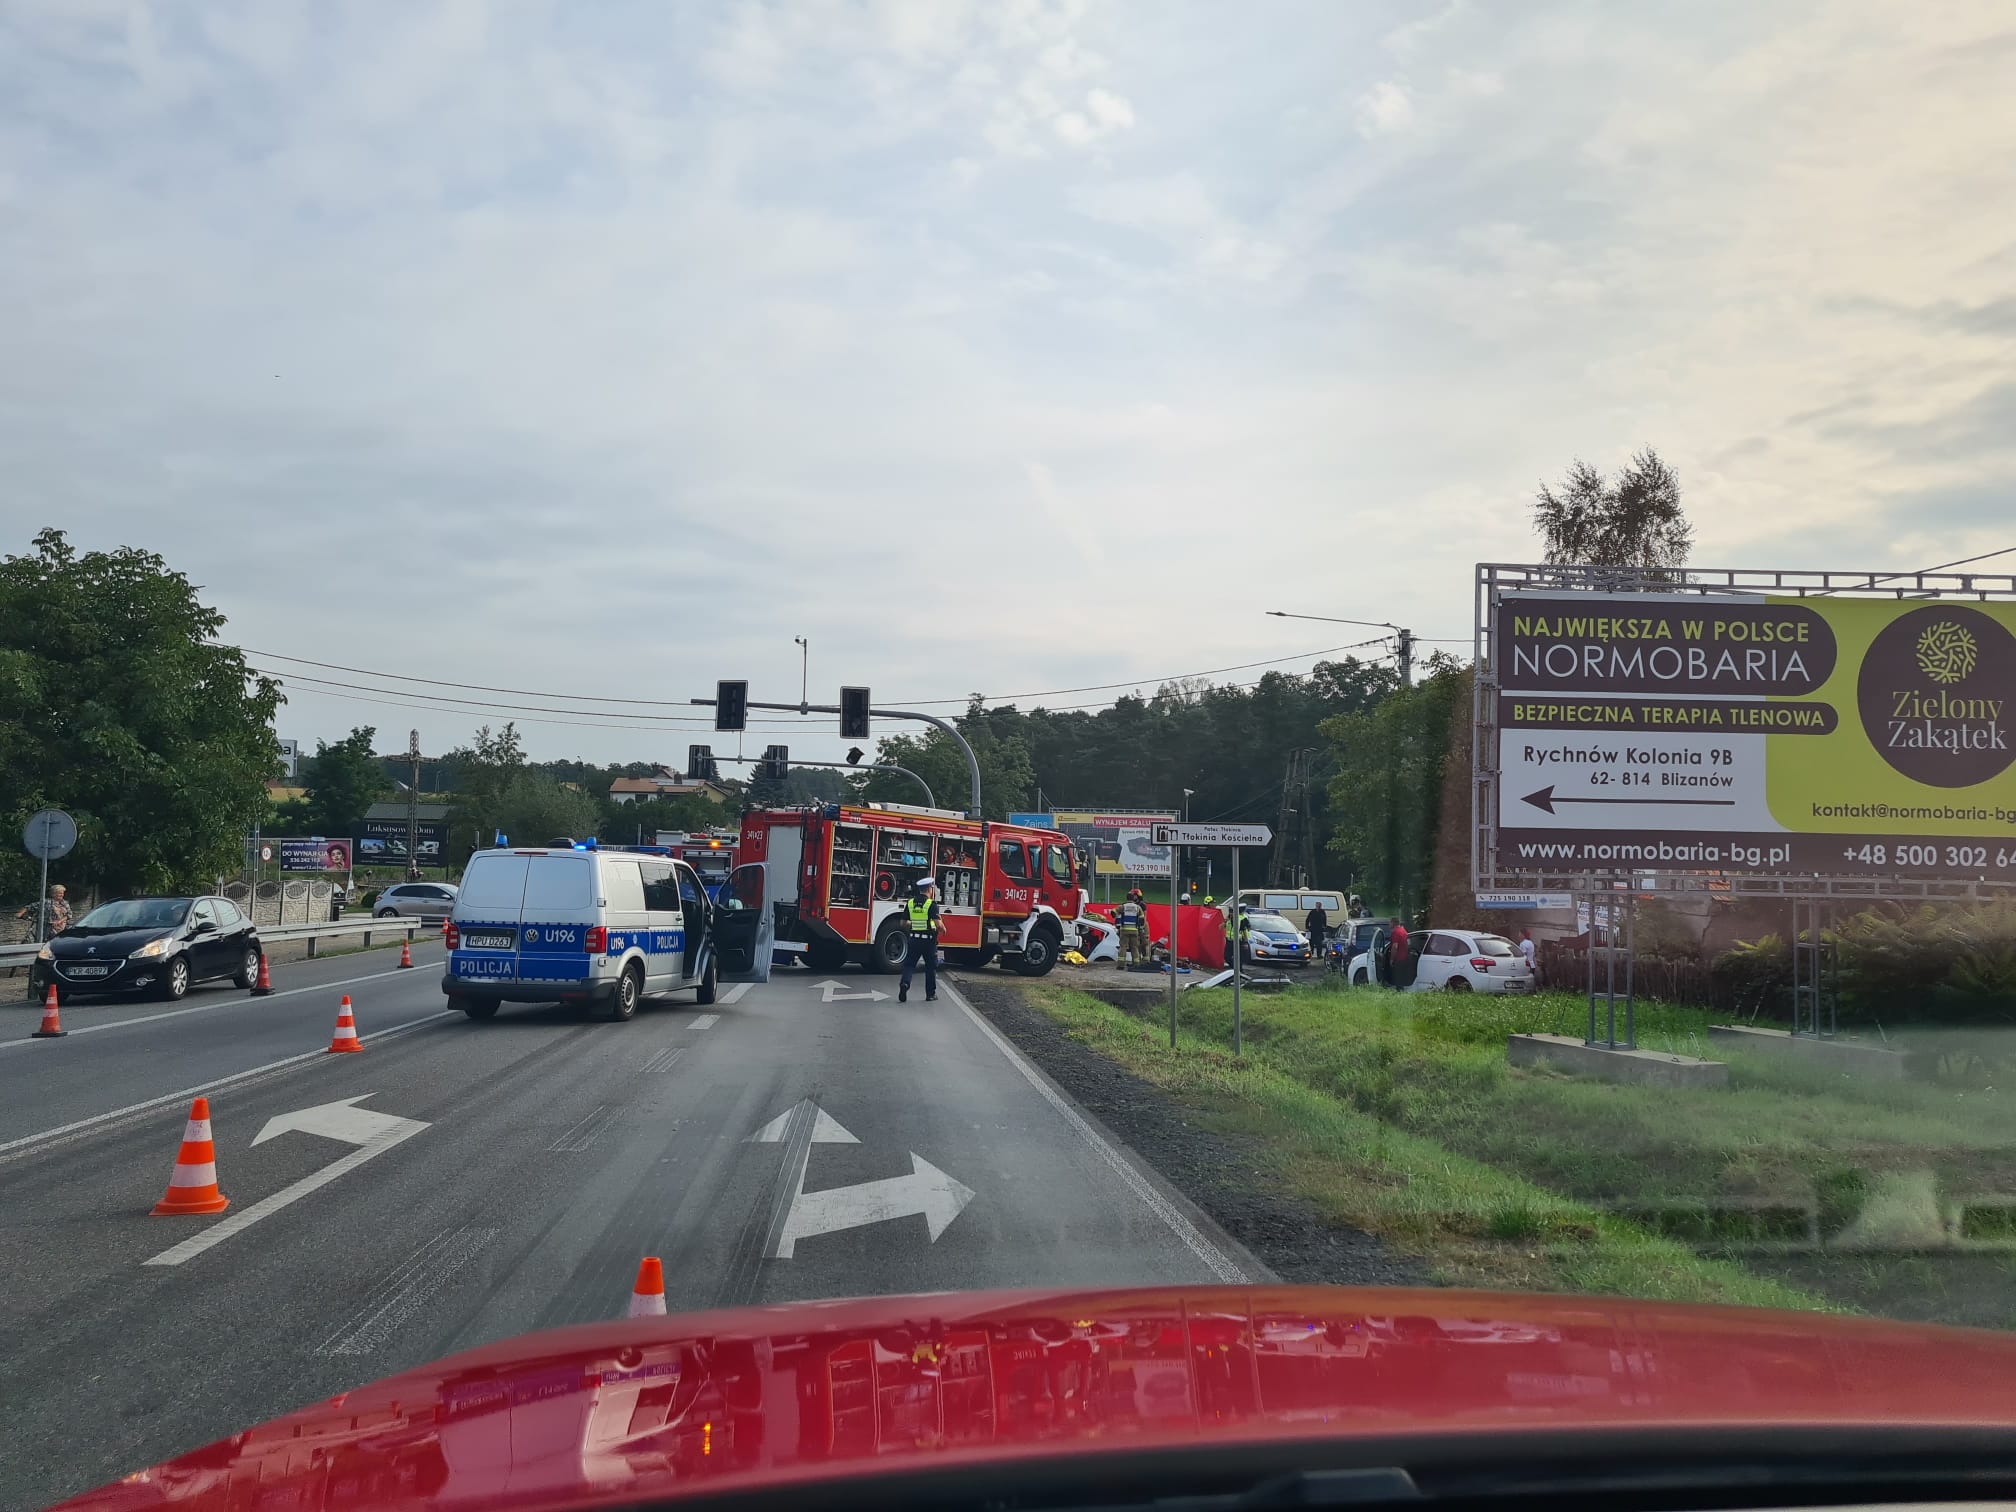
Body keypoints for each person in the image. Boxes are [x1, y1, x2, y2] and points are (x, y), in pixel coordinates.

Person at [898, 877, 942, 1003]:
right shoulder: (931, 904)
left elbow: (903, 923)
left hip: (914, 940)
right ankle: (930, 994)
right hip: (928, 942)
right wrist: (943, 929)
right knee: (930, 967)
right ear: (929, 889)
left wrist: (913, 924)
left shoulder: (910, 903)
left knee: (909, 965)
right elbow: (938, 925)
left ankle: (905, 984)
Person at [1116, 888, 1146, 969]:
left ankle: (1121, 965)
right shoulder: (1138, 907)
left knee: (1123, 947)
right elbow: (1142, 918)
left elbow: (1116, 913)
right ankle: (1136, 964)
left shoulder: (1123, 906)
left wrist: (1118, 926)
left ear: (1126, 898)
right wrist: (1140, 928)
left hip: (1124, 930)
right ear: (1133, 898)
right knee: (1135, 947)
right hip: (1134, 930)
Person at [1386, 921, 1411, 989]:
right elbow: (1408, 944)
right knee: (1401, 976)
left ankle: (1399, 990)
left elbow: (1395, 947)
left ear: (1393, 923)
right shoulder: (1404, 931)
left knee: (1398, 977)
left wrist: (1391, 959)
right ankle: (1401, 989)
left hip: (1398, 958)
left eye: (1390, 923)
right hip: (1405, 957)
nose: (1389, 925)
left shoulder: (1396, 932)